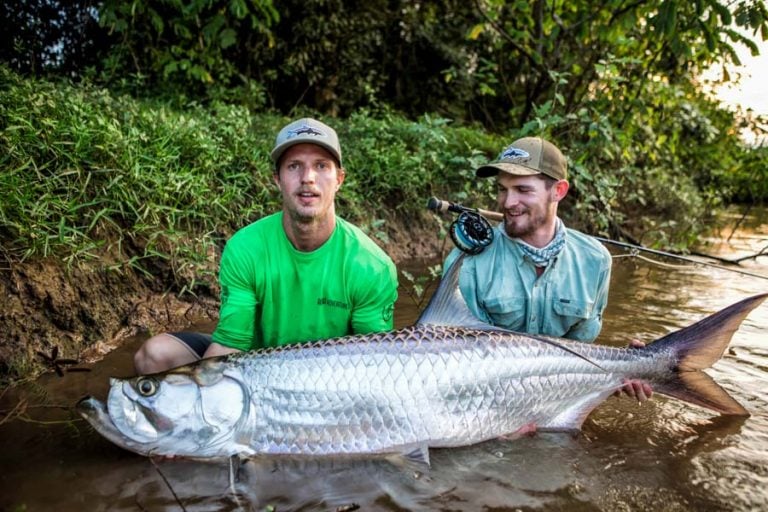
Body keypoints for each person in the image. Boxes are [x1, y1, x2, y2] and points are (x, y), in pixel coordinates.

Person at [134, 118, 398, 373]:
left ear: (339, 179)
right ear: (277, 179)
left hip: (331, 374)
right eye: (294, 166)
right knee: (155, 356)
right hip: (253, 366)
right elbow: (231, 343)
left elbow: (376, 364)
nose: (307, 177)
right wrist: (205, 394)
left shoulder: (372, 265)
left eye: (321, 166)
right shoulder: (245, 247)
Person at [444, 136, 652, 401]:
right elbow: (457, 366)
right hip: (486, 400)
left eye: (522, 190)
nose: (508, 202)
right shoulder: (466, 262)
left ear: (559, 191)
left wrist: (615, 374)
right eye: (502, 189)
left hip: (555, 400)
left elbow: (579, 354)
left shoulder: (596, 260)